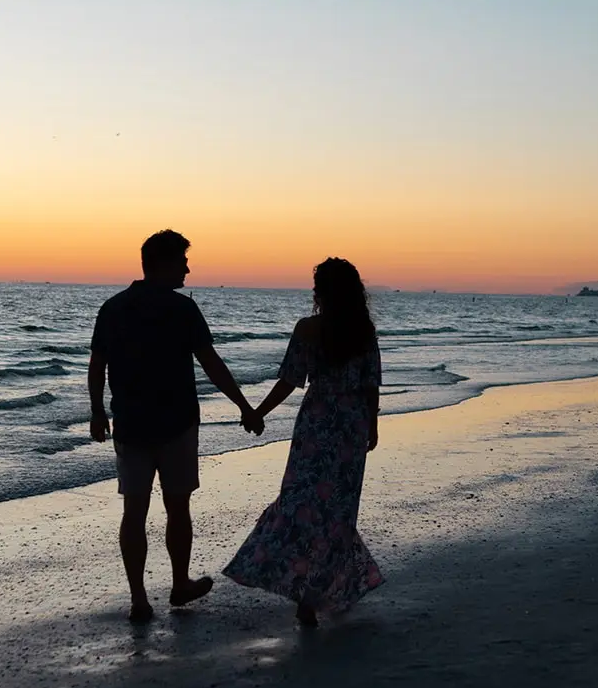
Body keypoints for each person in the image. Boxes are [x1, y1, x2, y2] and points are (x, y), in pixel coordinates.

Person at [88, 230, 263, 623]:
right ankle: (179, 583)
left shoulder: (114, 308)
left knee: (135, 509)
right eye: (182, 261)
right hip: (176, 422)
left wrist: (98, 411)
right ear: (163, 264)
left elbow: (97, 364)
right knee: (176, 505)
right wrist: (245, 407)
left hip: (131, 421)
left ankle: (140, 599)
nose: (188, 268)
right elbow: (211, 363)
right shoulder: (182, 310)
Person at [224, 257, 384, 627]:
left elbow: (290, 380)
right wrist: (372, 425)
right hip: (350, 426)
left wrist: (257, 411)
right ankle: (311, 596)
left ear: (320, 292)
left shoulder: (308, 329)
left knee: (299, 504)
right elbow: (370, 382)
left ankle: (300, 590)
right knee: (338, 513)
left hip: (316, 423)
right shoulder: (364, 330)